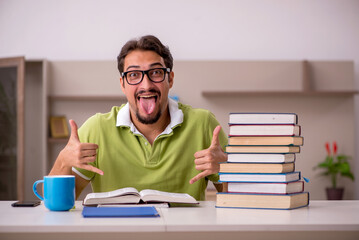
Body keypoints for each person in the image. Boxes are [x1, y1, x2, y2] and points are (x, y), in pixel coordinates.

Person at [49, 35, 228, 200]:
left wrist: (227, 169)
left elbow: (242, 200)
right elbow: (52, 202)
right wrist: (63, 160)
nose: (146, 85)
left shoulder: (203, 124)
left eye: (156, 72)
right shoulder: (96, 128)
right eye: (134, 75)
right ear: (123, 84)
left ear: (170, 79)